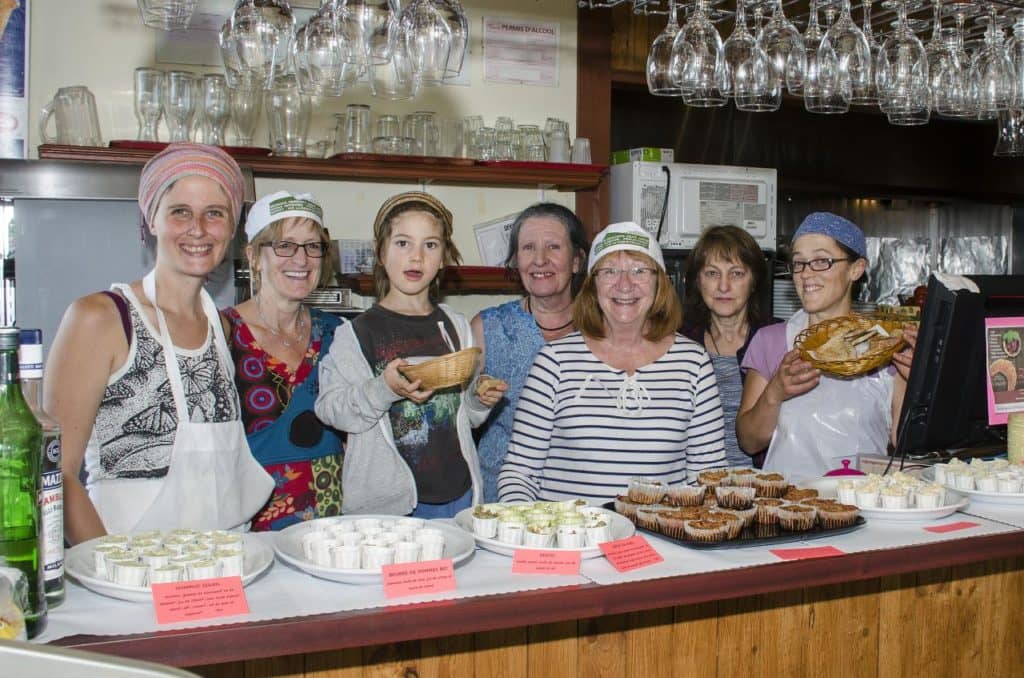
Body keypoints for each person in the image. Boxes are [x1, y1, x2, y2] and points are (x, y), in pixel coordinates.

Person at [44, 143, 273, 544]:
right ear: (151, 219)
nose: (198, 228)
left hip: (220, 568)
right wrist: (111, 572)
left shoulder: (219, 326)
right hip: (129, 565)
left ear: (232, 229)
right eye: (180, 211)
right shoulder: (102, 318)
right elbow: (56, 473)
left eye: (215, 214)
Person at [497, 221, 727, 504]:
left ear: (660, 283)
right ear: (593, 285)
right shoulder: (554, 362)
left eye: (639, 270)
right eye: (610, 271)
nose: (625, 284)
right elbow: (520, 474)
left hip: (659, 544)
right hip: (573, 542)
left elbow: (709, 477)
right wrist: (530, 530)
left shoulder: (693, 363)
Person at [315, 192, 506, 517]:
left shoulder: (456, 326)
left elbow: (466, 416)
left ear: (444, 256)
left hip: (459, 495)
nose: (416, 257)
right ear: (380, 252)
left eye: (430, 245)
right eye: (403, 243)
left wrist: (480, 399)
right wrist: (384, 389)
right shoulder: (356, 333)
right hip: (391, 508)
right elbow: (331, 410)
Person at [736, 212, 917, 479]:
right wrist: (774, 392)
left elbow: (907, 446)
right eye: (799, 263)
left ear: (856, 269)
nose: (806, 274)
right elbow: (749, 442)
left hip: (862, 505)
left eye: (821, 261)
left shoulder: (886, 346)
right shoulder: (772, 341)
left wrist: (919, 387)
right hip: (791, 509)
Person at [220, 191, 345, 531]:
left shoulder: (338, 334)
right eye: (284, 245)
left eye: (312, 246)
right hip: (249, 531)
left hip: (331, 532)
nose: (301, 259)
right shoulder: (222, 333)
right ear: (253, 255)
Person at [470, 203, 590, 502]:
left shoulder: (602, 330)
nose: (540, 260)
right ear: (515, 260)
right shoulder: (487, 328)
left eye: (553, 247)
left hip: (584, 501)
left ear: (577, 260)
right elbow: (460, 418)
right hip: (501, 503)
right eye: (527, 248)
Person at [680, 225, 780, 468]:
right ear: (697, 281)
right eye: (712, 274)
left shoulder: (778, 340)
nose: (723, 287)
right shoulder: (678, 343)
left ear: (754, 280)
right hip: (693, 493)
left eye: (736, 274)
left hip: (764, 491)